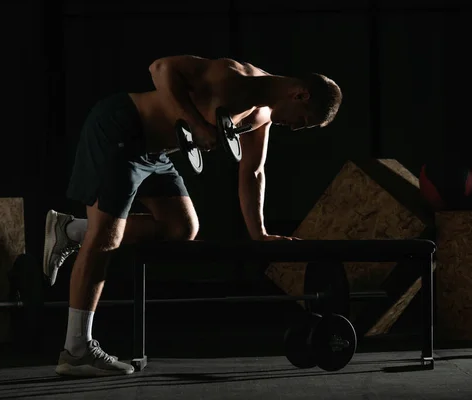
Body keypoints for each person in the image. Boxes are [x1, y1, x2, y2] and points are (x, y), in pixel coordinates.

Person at [44, 55, 343, 377]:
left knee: (181, 228)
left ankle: (72, 230)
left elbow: (253, 171)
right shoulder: (235, 76)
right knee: (106, 241)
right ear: (301, 95)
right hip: (122, 126)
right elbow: (159, 68)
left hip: (156, 153)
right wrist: (197, 124)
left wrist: (260, 234)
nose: (297, 127)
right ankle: (76, 350)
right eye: (304, 119)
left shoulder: (263, 115)